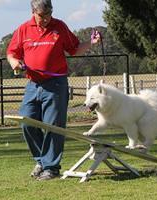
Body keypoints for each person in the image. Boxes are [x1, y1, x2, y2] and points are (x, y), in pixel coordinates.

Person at [7, 0, 100, 181]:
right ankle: (42, 160)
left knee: (53, 126)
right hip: (33, 84)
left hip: (56, 84)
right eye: (42, 16)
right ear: (33, 12)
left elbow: (74, 49)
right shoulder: (23, 29)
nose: (46, 19)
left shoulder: (60, 27)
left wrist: (91, 43)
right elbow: (12, 53)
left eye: (49, 14)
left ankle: (51, 168)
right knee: (27, 121)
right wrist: (14, 63)